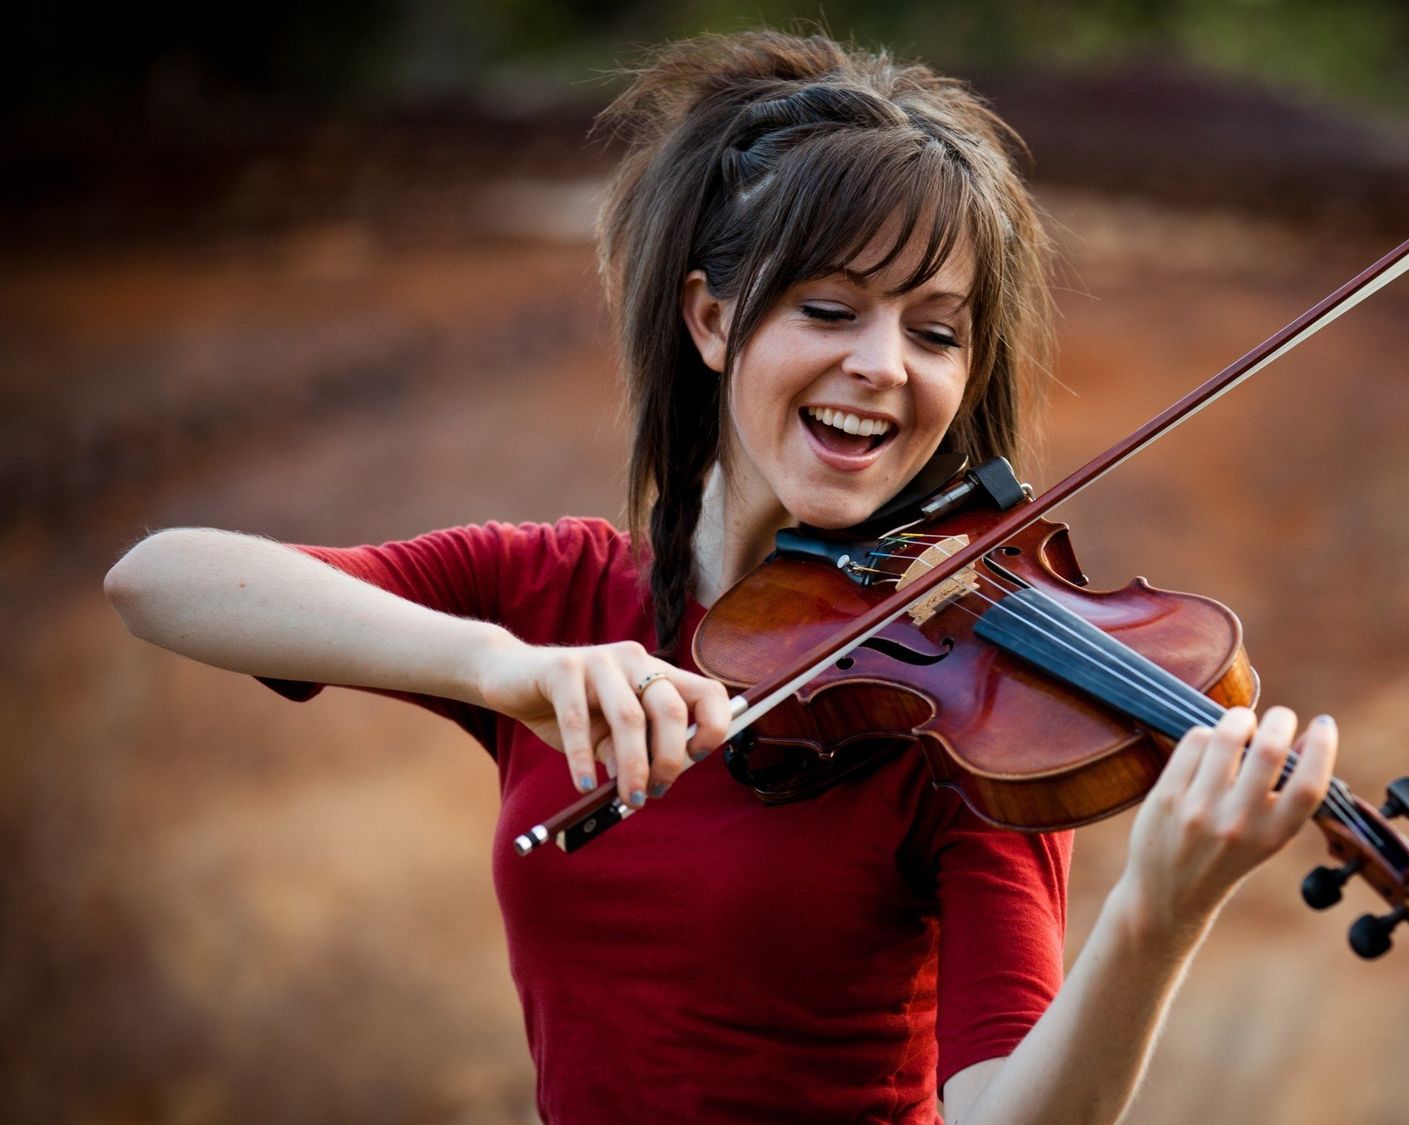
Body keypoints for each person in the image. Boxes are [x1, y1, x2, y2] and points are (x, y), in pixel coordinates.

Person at [103, 30, 1338, 1125]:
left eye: (934, 329)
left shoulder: (970, 718)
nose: (882, 366)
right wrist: (505, 668)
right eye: (829, 307)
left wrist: (1153, 920)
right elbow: (162, 579)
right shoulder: (558, 597)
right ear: (709, 319)